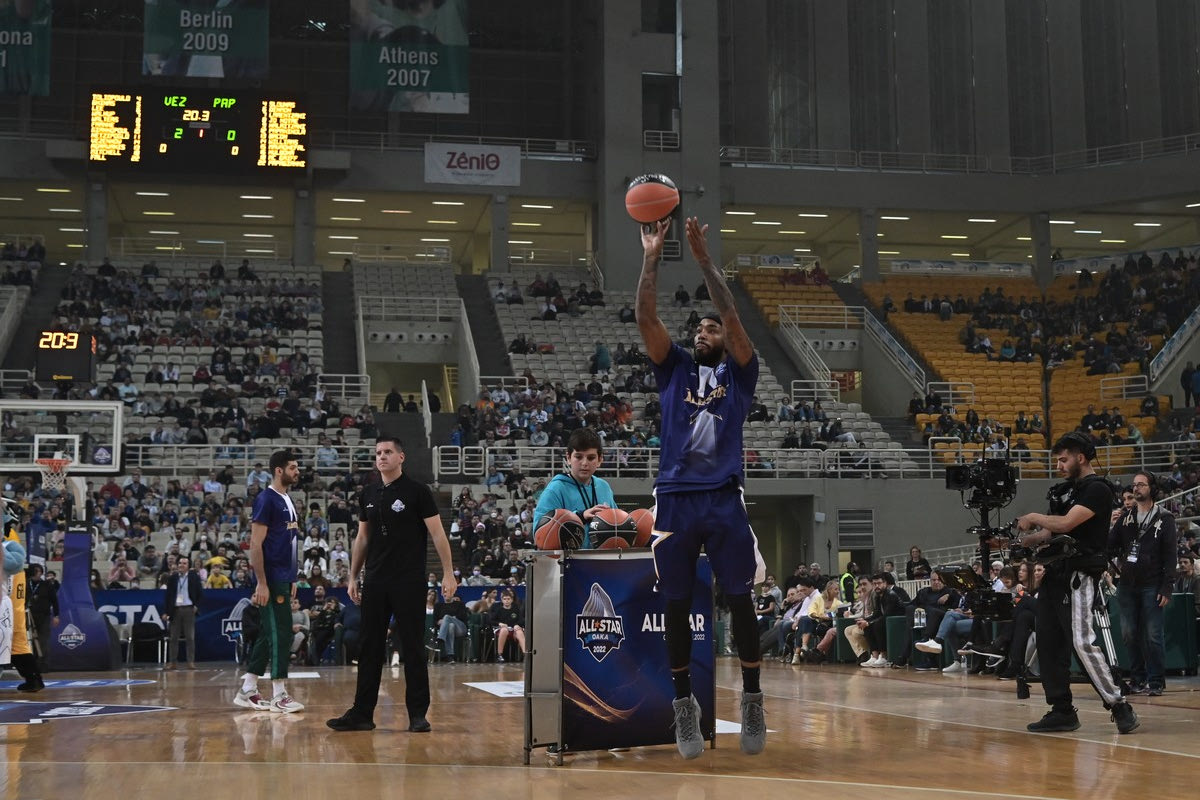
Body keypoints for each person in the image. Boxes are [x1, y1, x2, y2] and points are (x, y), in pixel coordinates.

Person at [635, 216, 766, 759]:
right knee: (675, 603)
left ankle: (753, 697)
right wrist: (652, 256)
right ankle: (683, 703)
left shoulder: (741, 375)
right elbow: (646, 317)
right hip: (675, 499)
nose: (702, 333)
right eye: (699, 330)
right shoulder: (673, 371)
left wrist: (705, 260)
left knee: (739, 598)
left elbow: (731, 314)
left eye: (710, 330)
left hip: (724, 497)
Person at [327, 437, 456, 733]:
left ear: (401, 457)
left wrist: (448, 573)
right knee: (369, 647)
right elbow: (362, 538)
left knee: (413, 647)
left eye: (387, 452)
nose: (382, 457)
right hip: (375, 580)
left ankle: (418, 715)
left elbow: (437, 534)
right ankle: (362, 714)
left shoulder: (418, 492)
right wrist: (353, 576)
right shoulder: (368, 493)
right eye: (378, 453)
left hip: (409, 580)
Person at [1016, 433, 1139, 734]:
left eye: (1063, 459)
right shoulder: (1068, 491)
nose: (1058, 465)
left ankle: (1119, 704)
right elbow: (1051, 533)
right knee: (1048, 642)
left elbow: (1066, 523)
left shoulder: (1097, 489)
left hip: (1079, 575)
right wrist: (1021, 542)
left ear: (1080, 458)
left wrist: (1034, 516)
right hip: (1055, 574)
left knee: (1082, 642)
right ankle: (1062, 710)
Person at [234, 450, 305, 714]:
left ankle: (247, 688)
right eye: (293, 467)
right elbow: (255, 544)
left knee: (268, 633)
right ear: (279, 470)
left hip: (284, 577)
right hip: (271, 579)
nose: (297, 471)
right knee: (282, 633)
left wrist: (293, 576)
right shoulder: (266, 499)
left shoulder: (287, 498)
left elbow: (289, 542)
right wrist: (261, 582)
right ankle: (279, 694)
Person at [1107, 471, 1176, 696]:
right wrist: (1112, 525)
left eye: (1141, 485)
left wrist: (1167, 586)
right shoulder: (1126, 517)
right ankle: (1137, 678)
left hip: (1152, 583)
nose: (1136, 488)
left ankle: (1156, 681)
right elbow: (1110, 546)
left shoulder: (1165, 518)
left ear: (1152, 489)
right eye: (1134, 485)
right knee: (1129, 634)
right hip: (1127, 583)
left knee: (1153, 635)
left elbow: (1171, 555)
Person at [531, 428, 617, 548]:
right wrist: (579, 517)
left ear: (600, 460)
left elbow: (616, 524)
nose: (584, 463)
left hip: (602, 557)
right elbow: (539, 533)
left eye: (591, 458)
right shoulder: (556, 489)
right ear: (568, 458)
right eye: (578, 457)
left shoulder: (604, 487)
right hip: (568, 559)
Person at [163, 556, 204, 669]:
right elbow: (168, 596)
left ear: (188, 566)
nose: (181, 565)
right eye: (180, 563)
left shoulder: (194, 577)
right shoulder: (173, 578)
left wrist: (196, 606)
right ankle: (173, 662)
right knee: (173, 637)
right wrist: (166, 612)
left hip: (188, 609)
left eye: (184, 563)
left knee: (190, 637)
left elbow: (200, 593)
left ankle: (190, 661)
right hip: (175, 610)